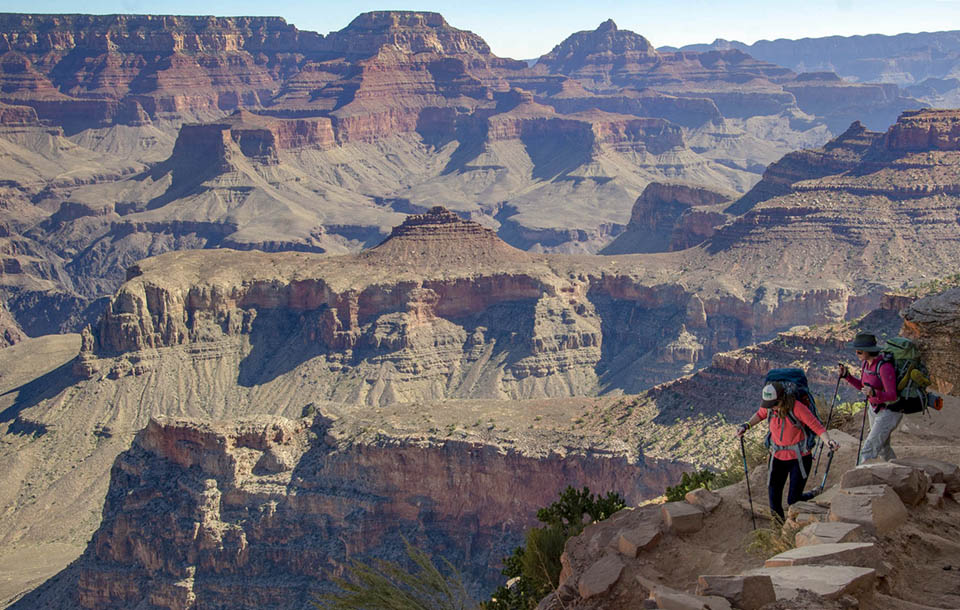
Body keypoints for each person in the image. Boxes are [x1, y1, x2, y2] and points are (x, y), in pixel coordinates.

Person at [737, 381, 840, 521]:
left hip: (799, 458)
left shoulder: (798, 408)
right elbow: (760, 414)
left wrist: (829, 442)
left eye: (773, 404)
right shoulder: (770, 408)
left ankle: (811, 494)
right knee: (774, 499)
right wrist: (746, 425)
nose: (771, 408)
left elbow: (817, 427)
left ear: (781, 399)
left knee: (794, 500)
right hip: (777, 457)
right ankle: (780, 528)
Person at [839, 332, 900, 462]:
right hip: (874, 409)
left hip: (889, 411)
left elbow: (892, 395)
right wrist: (847, 377)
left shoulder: (884, 367)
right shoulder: (866, 365)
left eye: (860, 351)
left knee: (868, 448)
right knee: (883, 447)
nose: (857, 354)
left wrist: (874, 393)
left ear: (869, 351)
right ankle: (897, 470)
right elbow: (863, 386)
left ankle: (859, 479)